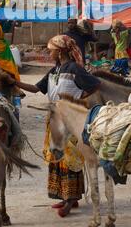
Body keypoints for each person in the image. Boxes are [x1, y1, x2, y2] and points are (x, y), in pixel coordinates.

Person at [17, 35, 101, 217]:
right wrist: (14, 81)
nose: (49, 52)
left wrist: (78, 101)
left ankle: (71, 199)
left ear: (60, 51)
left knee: (71, 160)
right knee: (58, 158)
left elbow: (95, 84)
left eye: (51, 49)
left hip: (70, 121)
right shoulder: (54, 71)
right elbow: (36, 89)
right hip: (55, 119)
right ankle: (66, 197)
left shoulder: (74, 69)